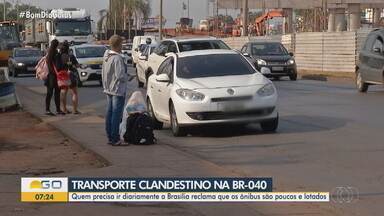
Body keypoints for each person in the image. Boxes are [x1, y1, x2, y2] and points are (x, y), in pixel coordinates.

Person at [102, 35, 129, 146]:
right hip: (117, 89)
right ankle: (115, 138)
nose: (122, 46)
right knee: (116, 115)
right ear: (118, 45)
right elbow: (120, 75)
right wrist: (128, 77)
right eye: (121, 44)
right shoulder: (117, 58)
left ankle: (110, 136)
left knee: (109, 114)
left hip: (108, 88)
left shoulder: (106, 56)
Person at [58, 41, 81, 114]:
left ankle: (64, 109)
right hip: (71, 75)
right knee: (74, 93)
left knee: (63, 92)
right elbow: (77, 65)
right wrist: (74, 65)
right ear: (68, 48)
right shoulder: (71, 56)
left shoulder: (59, 56)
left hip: (63, 76)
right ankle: (74, 110)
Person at [45, 39, 64, 115]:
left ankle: (48, 109)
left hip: (51, 76)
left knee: (50, 94)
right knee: (56, 93)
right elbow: (58, 65)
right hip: (54, 76)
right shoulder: (55, 54)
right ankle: (57, 109)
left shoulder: (49, 54)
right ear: (56, 45)